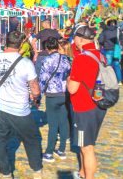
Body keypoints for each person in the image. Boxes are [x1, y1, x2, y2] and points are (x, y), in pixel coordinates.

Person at [0, 30, 43, 179]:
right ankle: (36, 170)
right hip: (20, 109)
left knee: (1, 141)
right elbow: (35, 90)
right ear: (21, 43)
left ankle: (5, 172)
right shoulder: (26, 63)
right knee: (32, 140)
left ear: (6, 42)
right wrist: (35, 97)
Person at [67, 25, 107, 179]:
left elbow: (72, 88)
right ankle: (83, 173)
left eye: (75, 38)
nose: (74, 41)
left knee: (86, 147)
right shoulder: (100, 55)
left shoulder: (81, 58)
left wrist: (68, 78)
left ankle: (88, 177)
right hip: (97, 104)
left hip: (84, 107)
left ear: (81, 39)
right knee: (87, 145)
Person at [39, 38, 71, 162]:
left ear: (47, 48)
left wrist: (38, 96)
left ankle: (49, 152)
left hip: (52, 94)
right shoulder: (66, 59)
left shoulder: (47, 60)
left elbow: (43, 79)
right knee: (63, 122)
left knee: (53, 125)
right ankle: (61, 150)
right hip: (64, 93)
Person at [98, 18, 122, 85]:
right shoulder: (118, 30)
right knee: (117, 65)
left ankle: (109, 80)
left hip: (108, 49)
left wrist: (103, 44)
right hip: (116, 50)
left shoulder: (105, 31)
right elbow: (121, 40)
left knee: (109, 65)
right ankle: (119, 80)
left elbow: (100, 40)